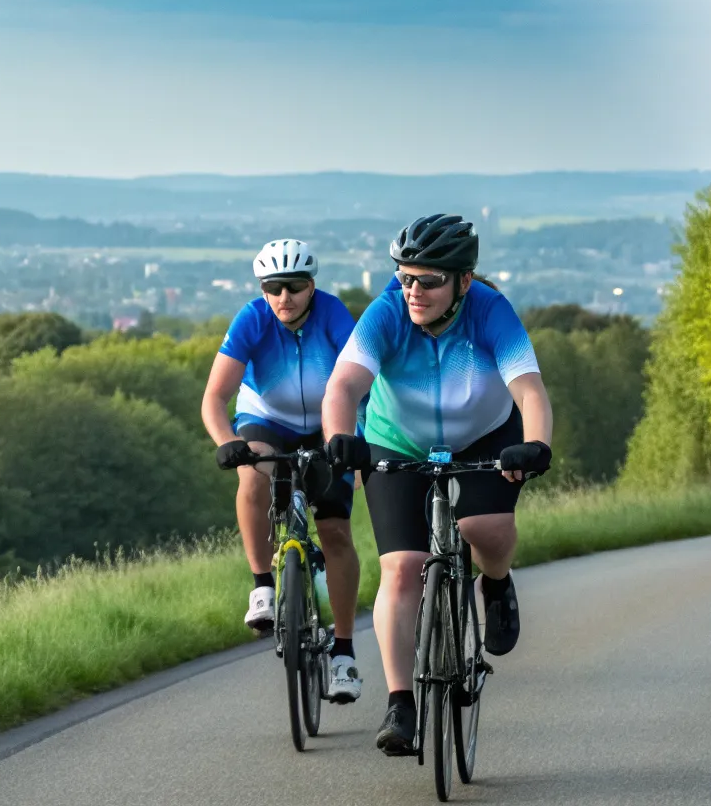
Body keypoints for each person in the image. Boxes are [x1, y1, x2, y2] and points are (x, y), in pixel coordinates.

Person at [319, 213, 553, 756]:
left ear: (463, 281)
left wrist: (536, 444)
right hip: (396, 442)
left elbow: (530, 391)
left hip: (486, 436)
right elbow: (344, 385)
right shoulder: (386, 314)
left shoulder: (491, 311)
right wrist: (341, 437)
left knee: (486, 528)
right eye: (405, 278)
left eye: (428, 280)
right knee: (400, 568)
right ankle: (401, 701)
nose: (414, 291)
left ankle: (495, 583)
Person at [202, 238, 364, 704]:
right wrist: (227, 443)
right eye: (273, 287)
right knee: (253, 472)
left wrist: (354, 441)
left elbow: (362, 384)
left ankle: (344, 653)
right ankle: (262, 587)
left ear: (311, 287)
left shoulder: (335, 316)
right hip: (267, 419)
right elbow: (214, 399)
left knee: (334, 532)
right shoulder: (252, 318)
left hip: (328, 425)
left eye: (293, 287)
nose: (283, 298)